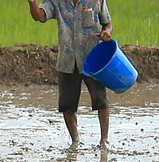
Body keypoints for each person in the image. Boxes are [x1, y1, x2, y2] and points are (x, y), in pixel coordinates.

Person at [28, 0, 113, 150]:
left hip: (92, 57)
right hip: (67, 60)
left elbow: (107, 23)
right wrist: (32, 3)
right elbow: (39, 16)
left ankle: (104, 140)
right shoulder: (56, 1)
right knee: (67, 105)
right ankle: (75, 141)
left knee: (101, 100)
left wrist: (107, 32)